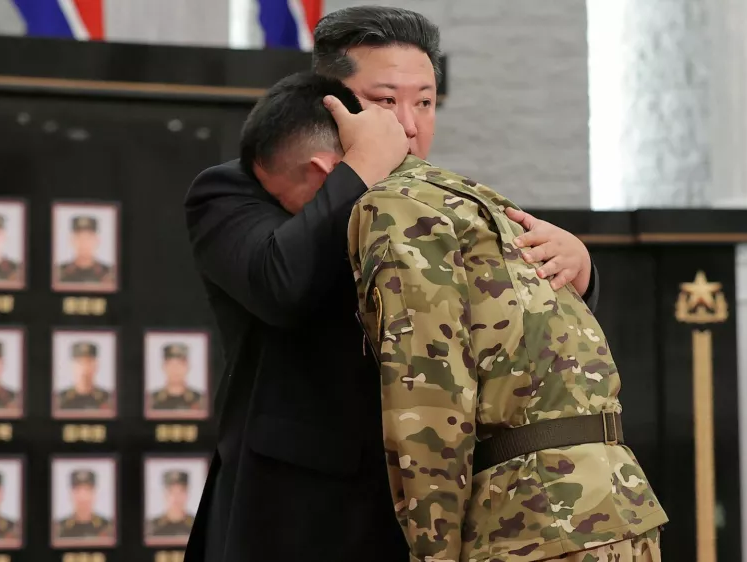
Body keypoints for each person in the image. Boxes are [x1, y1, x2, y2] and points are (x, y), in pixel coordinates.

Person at [184, 7, 598, 561]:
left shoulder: (446, 205)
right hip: (294, 514)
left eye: (424, 102)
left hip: (433, 505)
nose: (408, 125)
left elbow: (530, 340)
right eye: (385, 101)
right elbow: (281, 285)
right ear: (329, 100)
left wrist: (577, 267)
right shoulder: (238, 188)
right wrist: (360, 169)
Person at [349, 144, 668, 560]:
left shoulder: (399, 203)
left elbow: (431, 398)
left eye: (424, 108)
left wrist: (434, 554)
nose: (407, 125)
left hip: (535, 521)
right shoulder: (479, 202)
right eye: (390, 108)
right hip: (620, 508)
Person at [55, 470, 113, 540]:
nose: (83, 497)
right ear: (71, 494)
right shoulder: (58, 529)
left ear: (94, 494)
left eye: (87, 490)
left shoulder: (108, 527)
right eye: (78, 491)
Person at [56, 342, 112, 413]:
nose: (84, 368)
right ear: (72, 366)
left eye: (89, 362)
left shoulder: (108, 400)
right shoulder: (59, 400)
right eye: (79, 362)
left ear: (96, 366)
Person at [57, 215, 113, 285]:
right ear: (72, 240)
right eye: (79, 237)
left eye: (88, 238)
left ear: (97, 240)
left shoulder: (109, 273)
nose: (84, 243)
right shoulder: (58, 273)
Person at [148, 344, 204, 412]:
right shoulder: (150, 401)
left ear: (187, 367)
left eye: (180, 365)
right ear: (163, 367)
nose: (175, 370)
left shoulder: (201, 401)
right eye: (171, 365)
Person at [146, 470, 195, 538]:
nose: (176, 497)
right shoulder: (151, 527)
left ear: (187, 494)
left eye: (181, 491)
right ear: (165, 495)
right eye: (171, 492)